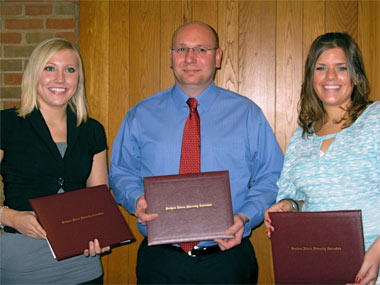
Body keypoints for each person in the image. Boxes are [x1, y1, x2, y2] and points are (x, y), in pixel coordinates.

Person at [109, 21, 284, 284]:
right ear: (170, 57)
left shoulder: (248, 115)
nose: (190, 58)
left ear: (218, 57)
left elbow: (271, 176)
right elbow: (121, 172)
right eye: (181, 49)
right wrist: (136, 199)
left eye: (201, 49)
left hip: (228, 260)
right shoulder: (140, 115)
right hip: (160, 261)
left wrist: (245, 216)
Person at [264, 32, 380, 284]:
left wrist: (378, 253)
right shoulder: (300, 136)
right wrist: (287, 207)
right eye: (321, 68)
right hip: (319, 268)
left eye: (341, 68)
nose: (330, 77)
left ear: (355, 75)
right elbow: (296, 200)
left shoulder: (376, 118)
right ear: (311, 77)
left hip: (373, 268)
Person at [0, 38, 110, 284]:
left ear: (78, 78)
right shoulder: (6, 124)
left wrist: (101, 235)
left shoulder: (92, 130)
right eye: (49, 68)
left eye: (69, 70)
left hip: (83, 264)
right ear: (34, 74)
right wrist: (10, 218)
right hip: (21, 265)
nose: (60, 79)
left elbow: (100, 196)